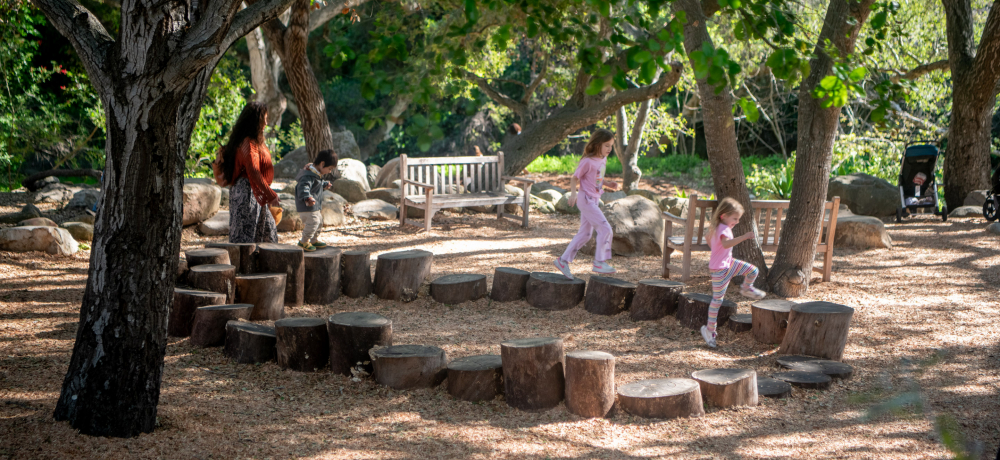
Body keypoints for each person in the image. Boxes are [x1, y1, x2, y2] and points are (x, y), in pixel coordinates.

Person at [553, 129, 620, 279]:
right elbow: (574, 178)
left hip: (594, 199)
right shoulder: (587, 161)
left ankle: (563, 261)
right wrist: (573, 194)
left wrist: (608, 183)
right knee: (606, 229)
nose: (609, 149)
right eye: (607, 145)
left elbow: (596, 178)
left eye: (611, 146)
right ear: (597, 144)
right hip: (586, 200)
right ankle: (599, 262)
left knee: (585, 234)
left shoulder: (602, 159)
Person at [701, 197, 767, 348]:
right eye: (735, 218)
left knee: (753, 270)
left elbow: (708, 237)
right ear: (724, 215)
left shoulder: (719, 227)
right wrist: (744, 237)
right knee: (717, 301)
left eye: (738, 219)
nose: (737, 222)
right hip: (719, 270)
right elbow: (725, 244)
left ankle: (746, 288)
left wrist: (715, 250)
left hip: (729, 263)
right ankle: (709, 331)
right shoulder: (723, 229)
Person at [217, 102, 280, 244]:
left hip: (255, 192)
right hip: (246, 194)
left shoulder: (254, 141)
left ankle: (265, 259)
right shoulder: (248, 143)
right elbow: (254, 171)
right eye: (264, 119)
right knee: (245, 240)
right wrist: (271, 195)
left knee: (268, 235)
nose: (266, 122)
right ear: (255, 121)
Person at [294, 149, 337, 251]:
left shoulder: (315, 174)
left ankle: (313, 240)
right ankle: (304, 241)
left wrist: (324, 184)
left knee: (319, 221)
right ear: (322, 164)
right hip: (307, 205)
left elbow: (316, 184)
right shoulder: (307, 175)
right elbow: (303, 188)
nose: (330, 171)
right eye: (330, 169)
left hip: (314, 206)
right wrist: (307, 197)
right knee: (313, 222)